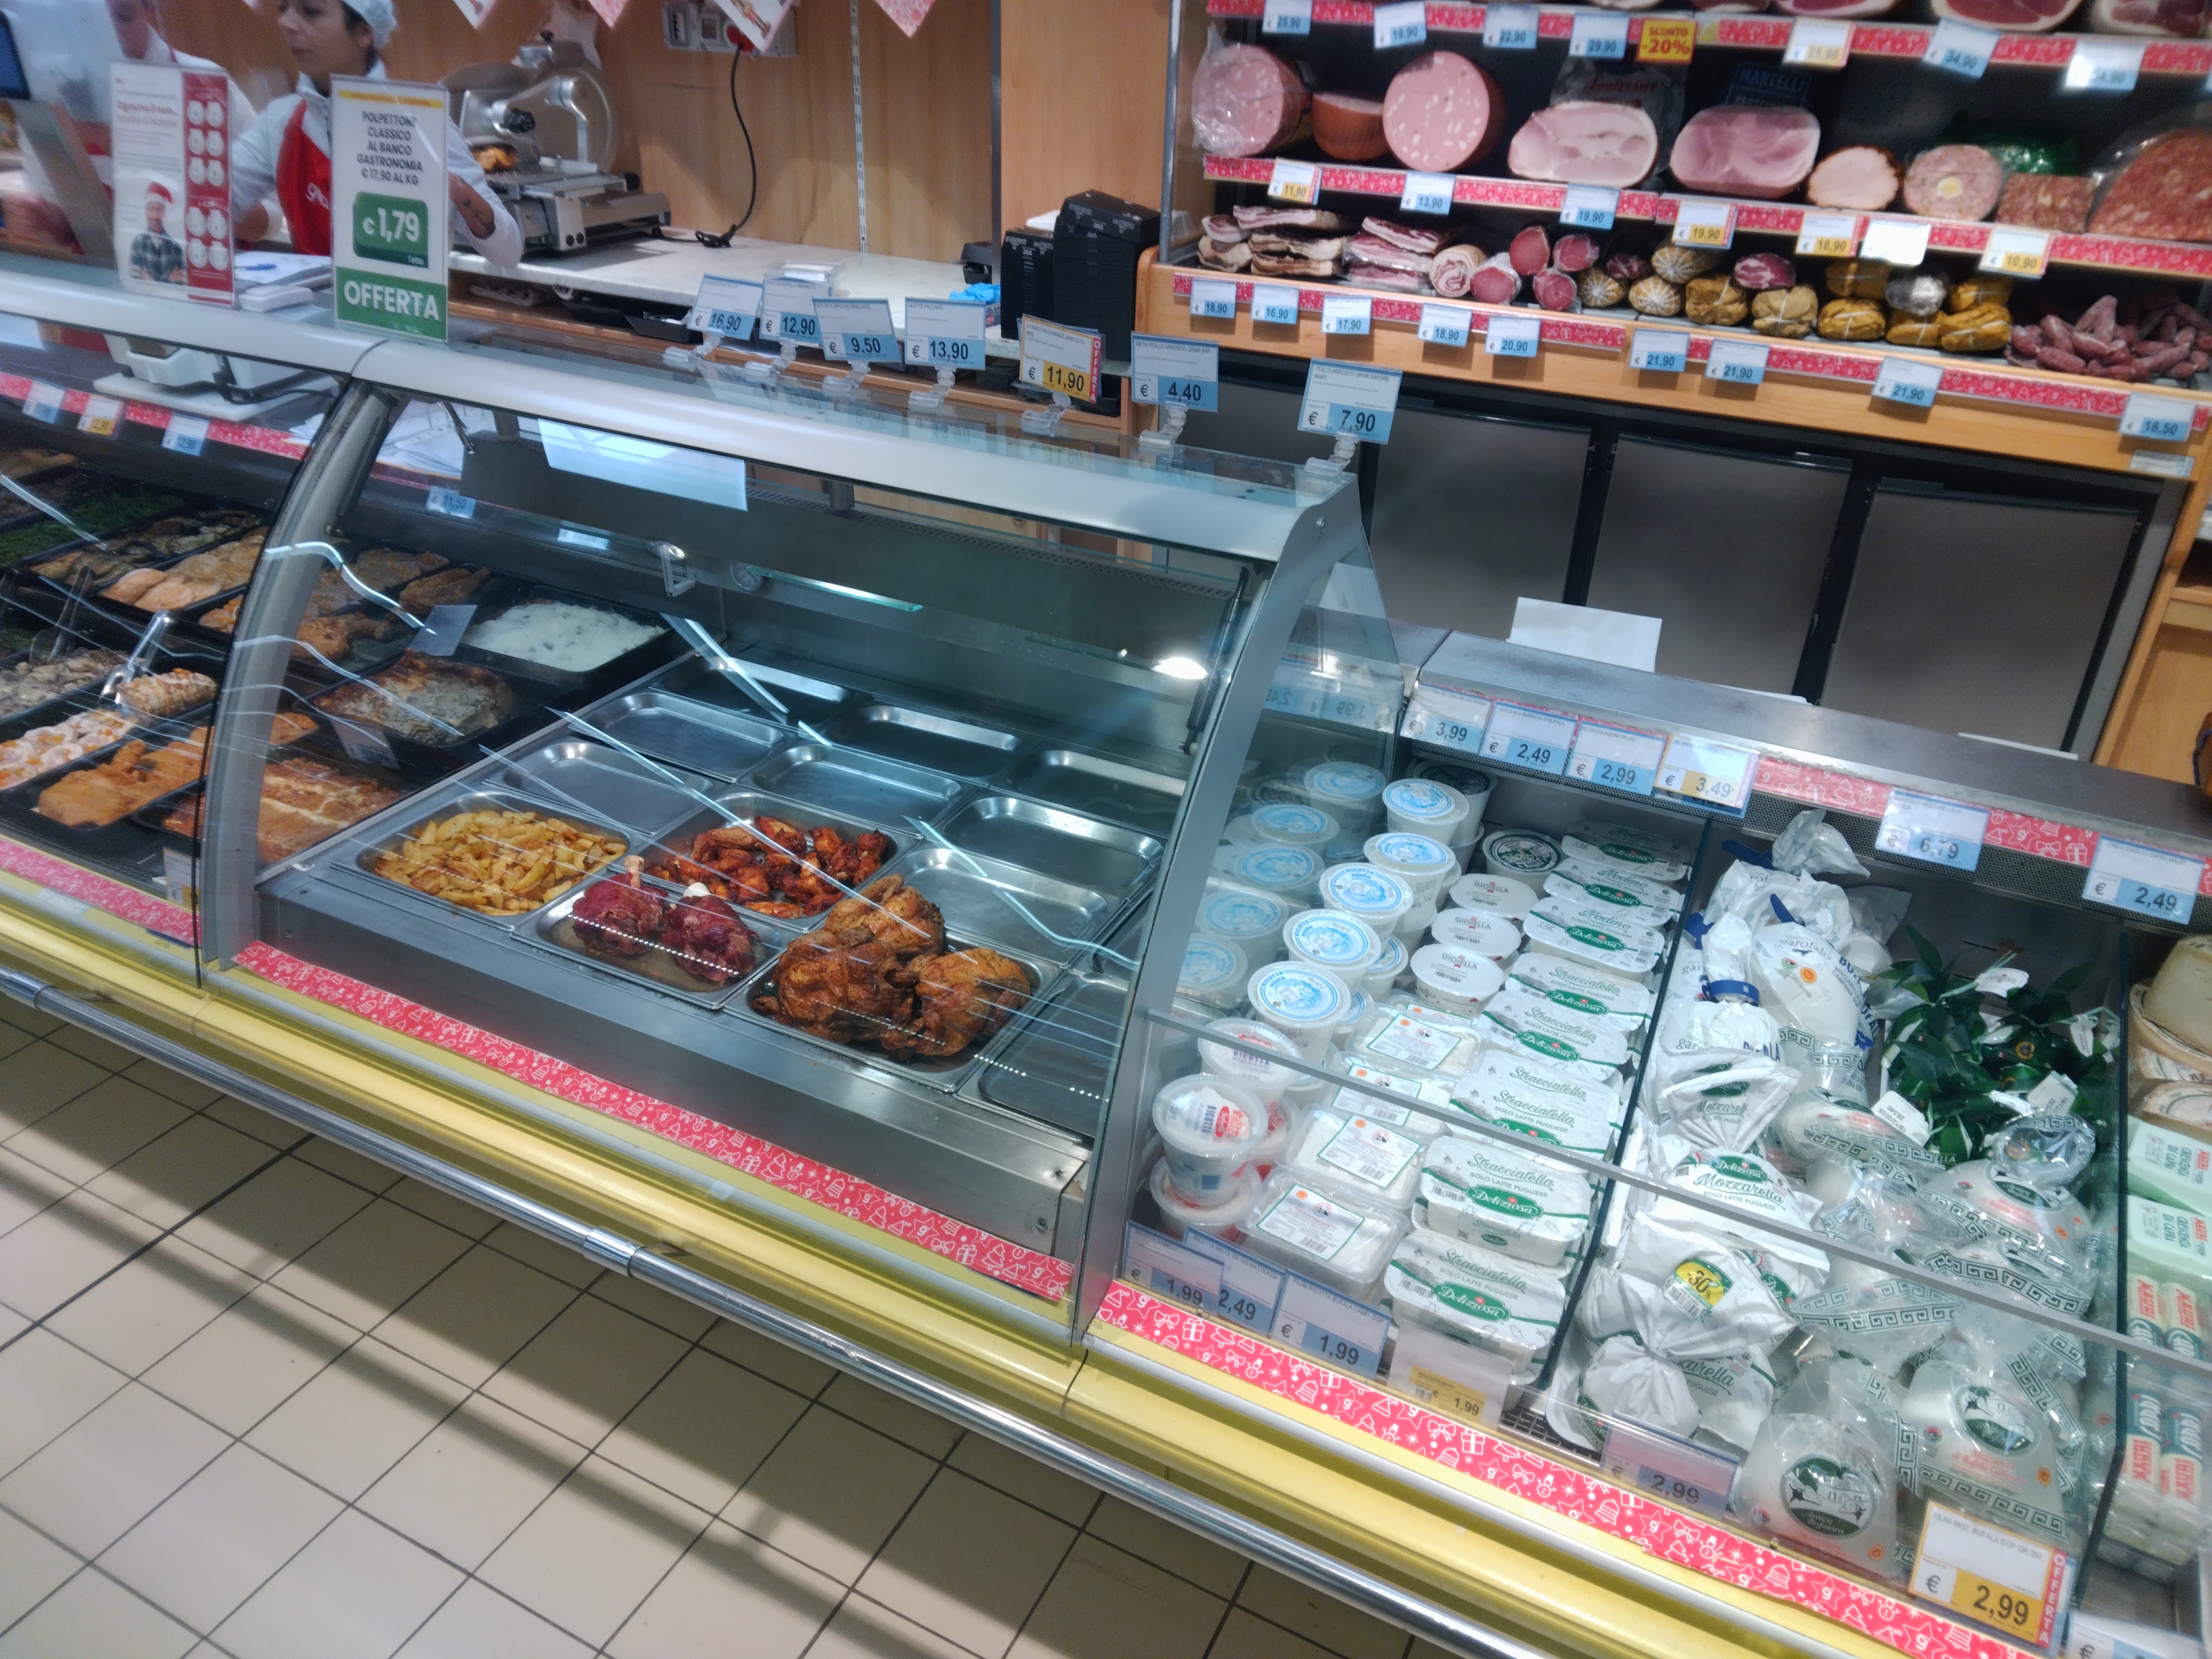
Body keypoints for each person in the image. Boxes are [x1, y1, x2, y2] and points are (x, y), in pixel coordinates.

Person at [229, 0, 522, 266]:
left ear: (364, 32)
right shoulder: (279, 121)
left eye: (311, 12)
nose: (286, 23)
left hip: (403, 308)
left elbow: (508, 251)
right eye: (283, 8)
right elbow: (218, 197)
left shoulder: (420, 123)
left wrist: (457, 191)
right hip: (313, 309)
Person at [126, 179, 184, 283]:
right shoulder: (138, 242)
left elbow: (181, 282)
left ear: (165, 212)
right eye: (151, 209)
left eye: (159, 209)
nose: (155, 215)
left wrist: (149, 280)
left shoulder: (175, 247)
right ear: (146, 212)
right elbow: (134, 280)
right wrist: (168, 280)